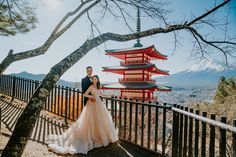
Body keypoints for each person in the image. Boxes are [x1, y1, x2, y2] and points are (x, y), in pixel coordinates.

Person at [47, 75, 119, 155]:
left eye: (96, 79)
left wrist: (110, 95)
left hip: (99, 104)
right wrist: (91, 97)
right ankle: (91, 137)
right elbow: (85, 94)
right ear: (92, 80)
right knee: (90, 121)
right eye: (93, 79)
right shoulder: (91, 86)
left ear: (98, 80)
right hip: (91, 104)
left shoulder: (99, 86)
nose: (95, 80)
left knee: (100, 120)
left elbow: (101, 94)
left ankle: (100, 137)